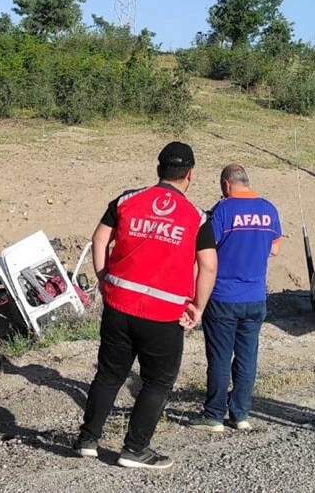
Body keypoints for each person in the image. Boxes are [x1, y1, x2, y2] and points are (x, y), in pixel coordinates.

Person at [75, 141, 218, 470]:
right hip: (164, 315)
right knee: (157, 382)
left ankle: (87, 440)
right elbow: (209, 265)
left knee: (110, 375)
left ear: (158, 171)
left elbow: (99, 238)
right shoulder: (196, 218)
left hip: (119, 305)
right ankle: (134, 449)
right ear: (190, 175)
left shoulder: (127, 199)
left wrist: (103, 277)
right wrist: (198, 306)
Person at [191, 164, 280, 433]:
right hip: (255, 297)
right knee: (247, 357)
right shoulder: (269, 209)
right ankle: (240, 414)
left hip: (222, 296)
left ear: (226, 185)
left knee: (219, 357)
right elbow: (274, 250)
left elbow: (207, 249)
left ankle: (214, 415)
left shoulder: (222, 210)